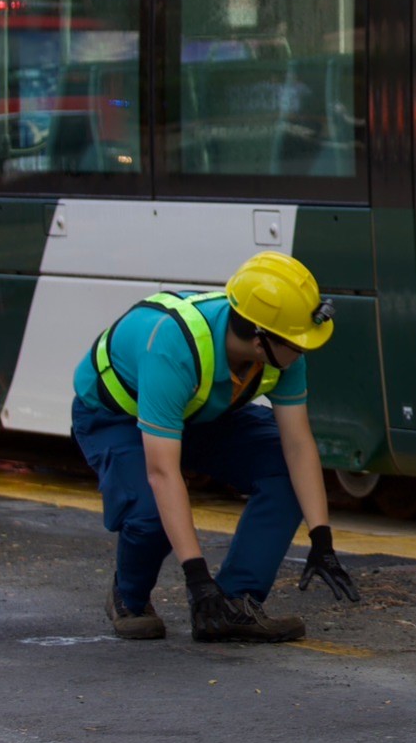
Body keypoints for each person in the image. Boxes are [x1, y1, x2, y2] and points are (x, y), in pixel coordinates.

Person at [70, 251, 357, 644]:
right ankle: (130, 598)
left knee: (281, 470)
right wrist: (197, 579)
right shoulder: (173, 347)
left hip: (199, 412)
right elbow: (162, 472)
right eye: (298, 344)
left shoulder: (281, 352)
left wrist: (322, 540)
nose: (304, 351)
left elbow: (298, 444)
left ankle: (233, 605)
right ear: (260, 340)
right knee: (151, 510)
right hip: (116, 416)